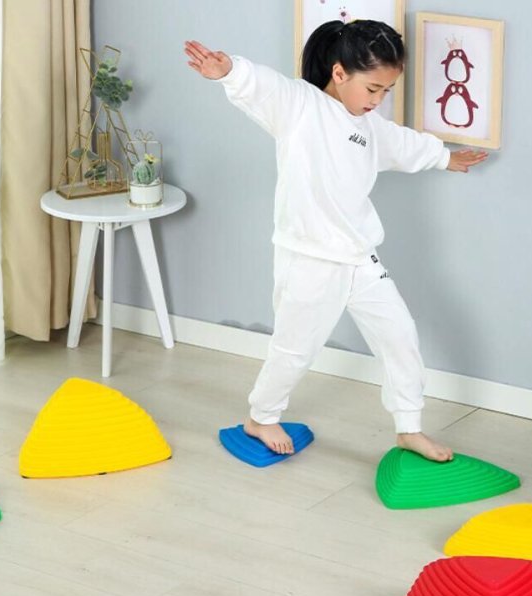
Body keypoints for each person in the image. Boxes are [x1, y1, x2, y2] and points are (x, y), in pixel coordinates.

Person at [184, 20, 488, 463]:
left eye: (386, 91)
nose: (378, 100)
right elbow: (264, 87)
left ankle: (409, 428)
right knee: (294, 349)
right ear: (340, 73)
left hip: (359, 257)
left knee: (400, 335)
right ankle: (261, 418)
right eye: (373, 89)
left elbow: (404, 145)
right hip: (309, 258)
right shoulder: (301, 106)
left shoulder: (370, 127)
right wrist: (230, 71)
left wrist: (445, 158)